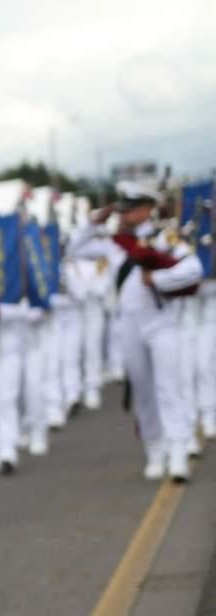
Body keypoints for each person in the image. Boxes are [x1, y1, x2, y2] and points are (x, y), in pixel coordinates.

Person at [67, 182, 203, 481]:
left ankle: (177, 451)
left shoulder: (165, 238)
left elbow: (193, 269)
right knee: (142, 391)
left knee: (169, 388)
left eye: (130, 209)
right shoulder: (115, 243)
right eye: (122, 209)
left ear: (147, 209)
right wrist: (94, 222)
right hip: (128, 323)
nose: (124, 215)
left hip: (161, 321)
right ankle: (154, 449)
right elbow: (73, 250)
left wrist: (158, 279)